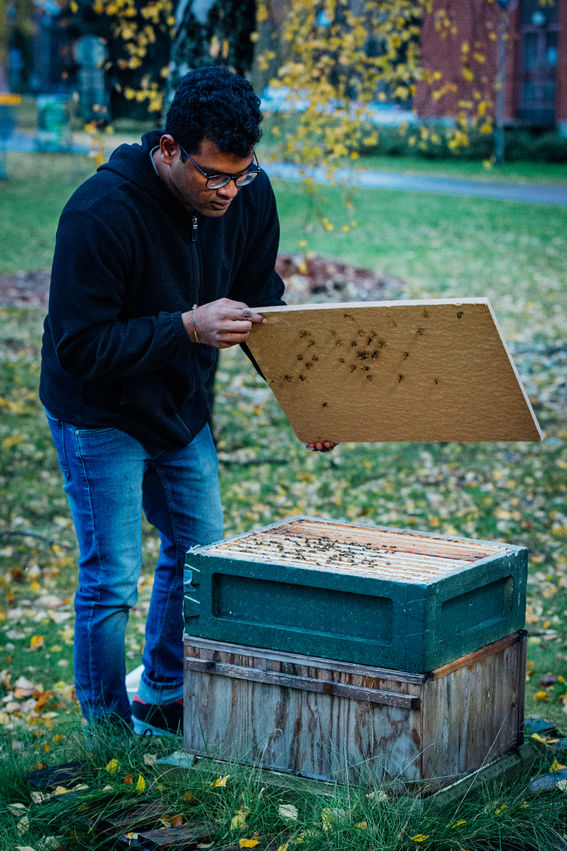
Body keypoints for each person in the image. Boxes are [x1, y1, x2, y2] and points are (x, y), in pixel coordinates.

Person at [40, 66, 334, 737]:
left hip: (179, 407)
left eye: (242, 173)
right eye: (212, 176)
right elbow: (78, 348)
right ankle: (107, 731)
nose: (229, 191)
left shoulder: (248, 199)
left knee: (198, 552)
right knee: (111, 577)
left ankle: (167, 693)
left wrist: (309, 401)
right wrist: (185, 327)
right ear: (169, 148)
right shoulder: (99, 213)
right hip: (98, 413)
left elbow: (262, 300)